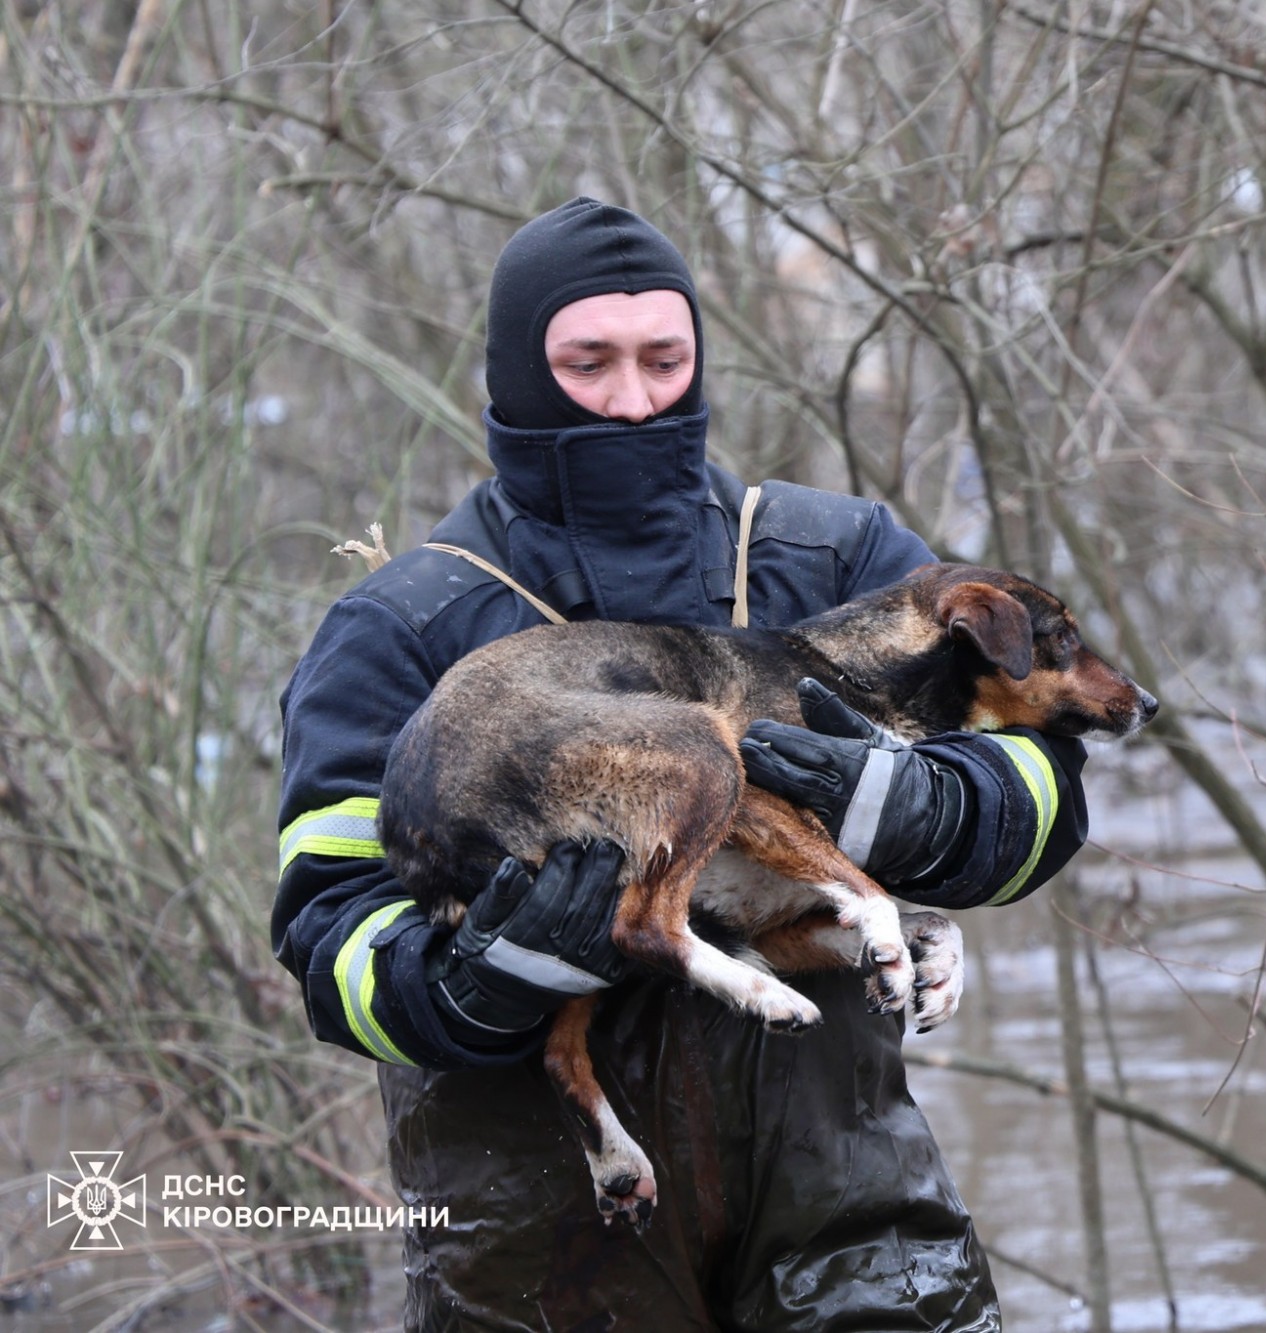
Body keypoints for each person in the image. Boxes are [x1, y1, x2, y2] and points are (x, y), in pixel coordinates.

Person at [272, 197, 1091, 1331]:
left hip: (847, 1216)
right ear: (518, 370)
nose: (632, 397)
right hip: (544, 1257)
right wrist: (469, 984)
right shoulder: (402, 624)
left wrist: (924, 812)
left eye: (665, 357)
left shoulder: (833, 555)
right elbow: (329, 933)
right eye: (587, 361)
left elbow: (1044, 786)